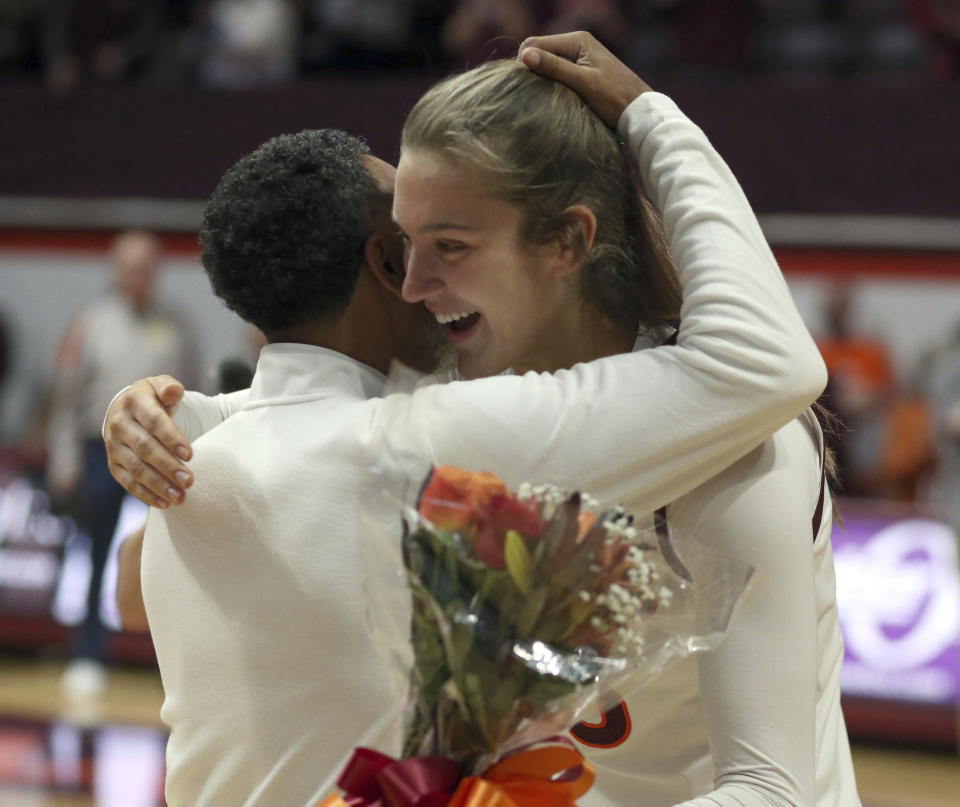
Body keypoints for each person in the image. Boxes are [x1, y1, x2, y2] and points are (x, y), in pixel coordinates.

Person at [104, 35, 836, 807]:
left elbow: (772, 790)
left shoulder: (740, 443)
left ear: (568, 242)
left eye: (447, 245)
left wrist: (652, 118)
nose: (415, 283)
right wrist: (163, 416)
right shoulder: (442, 404)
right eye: (404, 246)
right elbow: (281, 436)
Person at [47, 229, 192, 699]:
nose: (138, 276)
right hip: (99, 450)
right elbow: (65, 398)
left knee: (169, 558)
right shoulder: (91, 322)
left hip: (162, 452)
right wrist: (64, 459)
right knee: (94, 555)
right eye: (129, 267)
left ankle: (168, 665)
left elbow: (194, 396)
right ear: (115, 270)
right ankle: (88, 655)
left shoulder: (177, 325)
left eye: (147, 267)